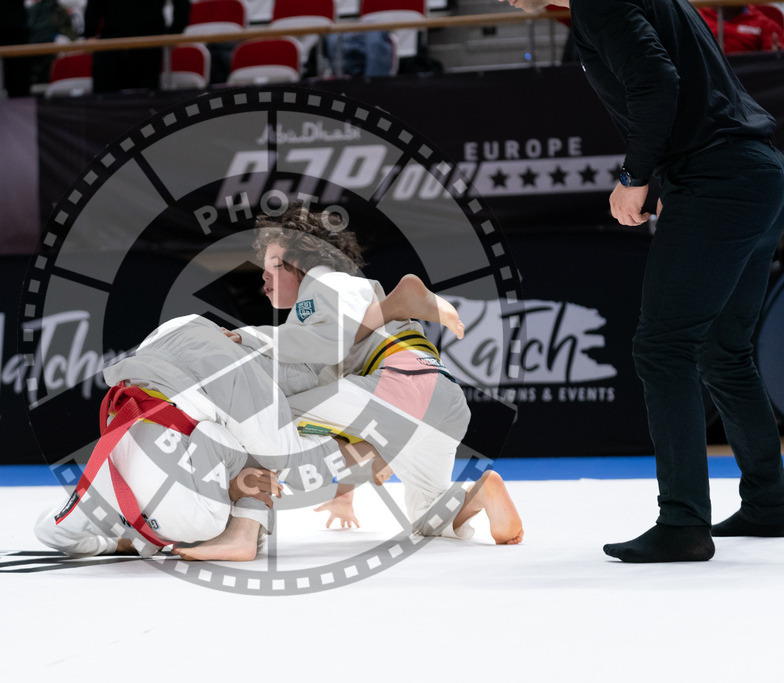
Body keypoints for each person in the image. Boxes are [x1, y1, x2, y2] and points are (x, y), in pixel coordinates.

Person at [504, 0, 784, 562]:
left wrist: (635, 175)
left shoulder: (599, 2)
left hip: (716, 179)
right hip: (755, 173)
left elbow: (657, 80)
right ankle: (770, 503)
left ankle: (683, 522)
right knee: (723, 350)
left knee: (663, 347)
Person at [211, 205, 524, 561]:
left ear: (301, 261)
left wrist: (249, 337)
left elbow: (325, 344)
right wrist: (345, 493)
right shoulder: (347, 295)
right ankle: (481, 492)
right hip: (441, 399)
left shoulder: (322, 283)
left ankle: (242, 532)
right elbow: (343, 410)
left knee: (264, 421)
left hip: (396, 387)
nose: (264, 277)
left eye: (275, 266)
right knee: (428, 516)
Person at [34, 314, 382, 562]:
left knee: (279, 456)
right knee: (270, 446)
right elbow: (50, 531)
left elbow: (219, 440)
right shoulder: (102, 501)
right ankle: (242, 534)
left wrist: (234, 486)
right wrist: (115, 543)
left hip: (206, 359)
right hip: (165, 345)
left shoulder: (202, 523)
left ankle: (376, 444)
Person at [83, 0, 190, 93]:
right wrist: (90, 34)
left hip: (149, 42)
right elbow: (94, 5)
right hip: (111, 42)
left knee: (147, 99)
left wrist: (175, 31)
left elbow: (182, 5)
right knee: (105, 99)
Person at [699, 6, 782, 54]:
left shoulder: (766, 25)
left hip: (749, 76)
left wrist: (776, 56)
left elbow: (772, 64)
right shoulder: (697, 19)